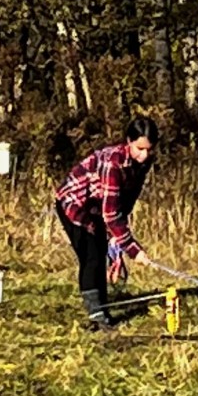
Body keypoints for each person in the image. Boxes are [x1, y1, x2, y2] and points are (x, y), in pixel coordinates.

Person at [55, 117, 159, 329]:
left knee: (102, 251)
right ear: (129, 141)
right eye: (139, 148)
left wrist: (116, 242)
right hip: (75, 204)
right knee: (91, 255)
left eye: (148, 150)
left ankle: (102, 309)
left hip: (99, 207)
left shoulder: (144, 163)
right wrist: (133, 249)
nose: (144, 155)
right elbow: (110, 214)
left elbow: (125, 201)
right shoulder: (113, 162)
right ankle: (96, 315)